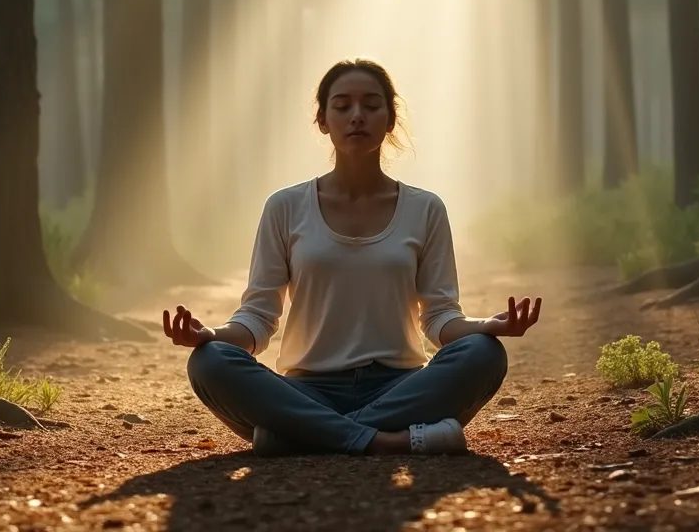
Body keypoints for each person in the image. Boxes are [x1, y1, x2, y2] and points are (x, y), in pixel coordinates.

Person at [162, 58, 542, 457]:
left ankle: (300, 436)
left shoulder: (426, 208)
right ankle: (384, 440)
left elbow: (439, 317)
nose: (357, 116)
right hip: (306, 389)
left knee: (483, 353)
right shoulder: (285, 207)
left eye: (371, 105)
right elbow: (257, 319)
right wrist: (211, 337)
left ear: (390, 118)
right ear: (323, 121)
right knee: (209, 362)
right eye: (342, 106)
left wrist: (489, 325)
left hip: (400, 387)